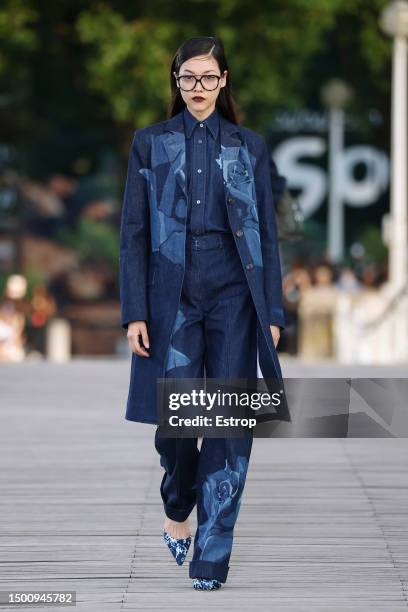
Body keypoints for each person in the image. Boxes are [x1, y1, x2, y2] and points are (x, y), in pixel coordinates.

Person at [119, 36, 286, 590]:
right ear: (176, 81)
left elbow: (266, 230)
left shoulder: (249, 146)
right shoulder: (150, 143)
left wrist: (273, 310)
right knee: (177, 424)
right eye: (188, 78)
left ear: (224, 81)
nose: (198, 88)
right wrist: (135, 310)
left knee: (228, 424)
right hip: (172, 291)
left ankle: (212, 557)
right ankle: (178, 498)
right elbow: (133, 233)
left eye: (208, 78)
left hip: (237, 292)